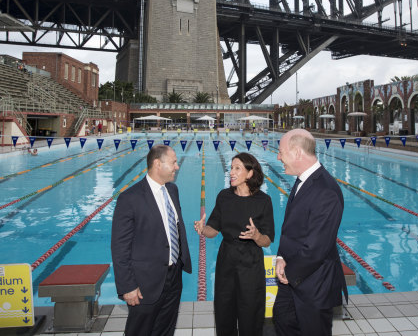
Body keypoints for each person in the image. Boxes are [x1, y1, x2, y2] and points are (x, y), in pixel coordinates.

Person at [111, 145, 192, 336]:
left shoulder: (172, 190)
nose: (177, 167)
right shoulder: (129, 198)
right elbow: (119, 247)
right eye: (173, 162)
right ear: (157, 164)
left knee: (165, 330)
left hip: (173, 278)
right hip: (144, 283)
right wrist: (127, 286)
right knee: (140, 331)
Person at [273, 129, 347, 336]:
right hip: (293, 276)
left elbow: (316, 248)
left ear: (297, 153)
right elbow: (291, 229)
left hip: (314, 285)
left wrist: (289, 271)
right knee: (282, 320)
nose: (278, 157)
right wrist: (280, 257)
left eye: (281, 152)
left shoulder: (326, 190)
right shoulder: (302, 181)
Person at [194, 152, 274, 336]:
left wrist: (256, 236)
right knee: (224, 313)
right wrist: (202, 228)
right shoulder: (224, 196)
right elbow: (213, 230)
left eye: (237, 168)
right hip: (227, 261)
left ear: (250, 173)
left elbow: (267, 239)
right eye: (231, 167)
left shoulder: (263, 201)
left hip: (251, 263)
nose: (231, 172)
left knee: (251, 317)